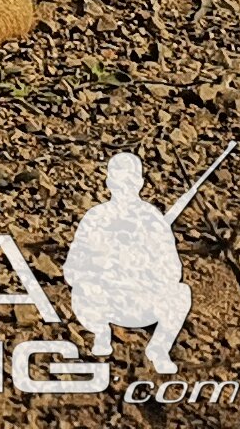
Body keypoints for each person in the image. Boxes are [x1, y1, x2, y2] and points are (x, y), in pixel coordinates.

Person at [65, 153, 193, 373]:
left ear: (140, 183)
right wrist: (101, 264)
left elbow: (173, 271)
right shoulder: (96, 217)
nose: (124, 187)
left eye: (129, 182)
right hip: (105, 301)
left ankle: (159, 349)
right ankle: (101, 333)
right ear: (108, 183)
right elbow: (72, 270)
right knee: (82, 289)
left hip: (142, 302)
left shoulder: (153, 219)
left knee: (181, 293)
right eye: (118, 181)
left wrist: (143, 268)